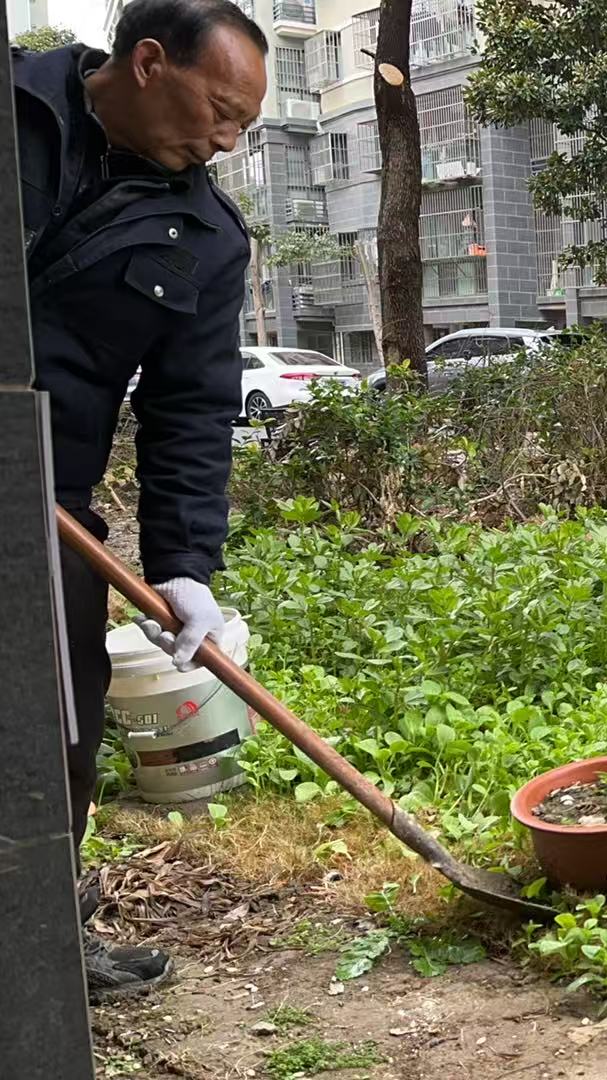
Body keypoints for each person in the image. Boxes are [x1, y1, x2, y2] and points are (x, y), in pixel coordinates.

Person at [17, 0, 267, 1001]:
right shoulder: (17, 108)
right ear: (150, 62)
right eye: (218, 110)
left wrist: (183, 567)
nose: (224, 141)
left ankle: (41, 946)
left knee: (57, 735)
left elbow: (192, 414)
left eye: (243, 126)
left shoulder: (207, 239)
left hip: (47, 500)